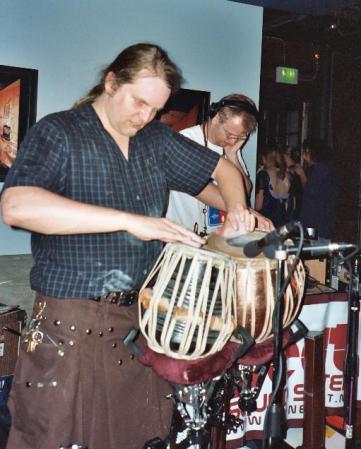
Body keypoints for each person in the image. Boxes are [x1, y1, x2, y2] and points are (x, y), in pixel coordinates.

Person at [0, 43, 256, 449]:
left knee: (140, 436)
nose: (145, 117)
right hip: (72, 324)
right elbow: (16, 206)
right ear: (111, 82)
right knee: (57, 436)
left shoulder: (154, 139)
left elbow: (223, 171)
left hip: (142, 322)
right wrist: (131, 222)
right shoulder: (61, 131)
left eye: (155, 109)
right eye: (139, 103)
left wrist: (239, 208)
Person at [166, 94, 273, 235]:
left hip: (215, 239)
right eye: (230, 135)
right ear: (216, 118)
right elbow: (202, 189)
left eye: (240, 138)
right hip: (182, 237)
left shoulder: (231, 147)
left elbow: (244, 191)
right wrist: (247, 213)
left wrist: (233, 156)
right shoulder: (186, 140)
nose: (233, 142)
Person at [300, 138, 338, 239]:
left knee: (314, 250)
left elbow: (310, 193)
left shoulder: (319, 169)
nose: (304, 157)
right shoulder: (328, 167)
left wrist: (301, 175)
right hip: (325, 218)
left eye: (305, 152)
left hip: (316, 220)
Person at [255, 145, 296, 227]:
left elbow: (258, 206)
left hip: (267, 225)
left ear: (264, 158)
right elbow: (293, 206)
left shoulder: (263, 175)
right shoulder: (289, 176)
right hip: (284, 226)